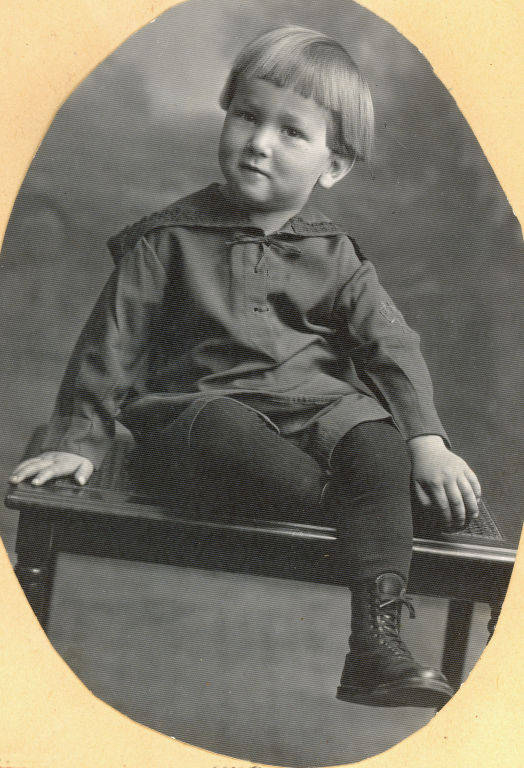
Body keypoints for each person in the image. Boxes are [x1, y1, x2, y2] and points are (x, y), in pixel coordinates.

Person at [10, 26, 481, 709]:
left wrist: (427, 442)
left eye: (292, 132)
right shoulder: (168, 239)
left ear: (334, 165)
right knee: (227, 431)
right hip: (199, 416)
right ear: (226, 115)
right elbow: (109, 346)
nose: (259, 141)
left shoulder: (337, 256)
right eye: (247, 116)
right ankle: (371, 516)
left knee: (378, 441)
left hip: (313, 415)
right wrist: (79, 443)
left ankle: (374, 647)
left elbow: (392, 346)